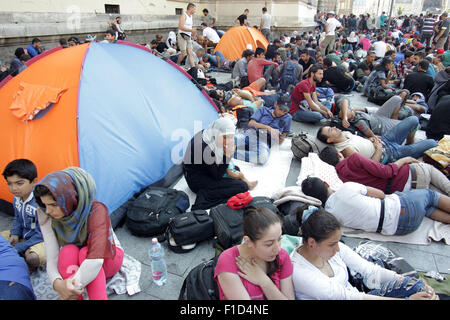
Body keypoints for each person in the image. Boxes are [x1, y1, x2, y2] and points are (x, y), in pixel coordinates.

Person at [291, 205, 437, 300]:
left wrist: (411, 282)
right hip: (355, 297)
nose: (337, 248)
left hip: (359, 295)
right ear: (311, 243)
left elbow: (369, 270)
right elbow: (346, 296)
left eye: (338, 242)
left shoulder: (332, 249)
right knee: (414, 290)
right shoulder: (300, 271)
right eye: (332, 244)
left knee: (417, 287)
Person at [33, 167, 124, 300]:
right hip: (78, 263)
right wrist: (58, 284)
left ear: (70, 198)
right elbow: (52, 258)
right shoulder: (45, 215)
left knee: (85, 253)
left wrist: (68, 289)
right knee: (67, 251)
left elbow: (96, 260)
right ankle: (75, 297)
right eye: (45, 205)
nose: (48, 211)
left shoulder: (96, 210)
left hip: (108, 258)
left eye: (53, 205)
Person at [301, 176, 450, 236]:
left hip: (400, 229)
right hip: (401, 208)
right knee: (430, 195)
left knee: (427, 209)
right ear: (327, 183)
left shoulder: (329, 215)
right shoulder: (346, 188)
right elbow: (381, 194)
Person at [214, 207, 295, 300]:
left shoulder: (282, 256)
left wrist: (264, 282)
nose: (277, 249)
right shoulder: (228, 261)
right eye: (269, 244)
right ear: (248, 241)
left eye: (279, 239)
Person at [319, 146, 450, 196]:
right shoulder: (354, 159)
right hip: (413, 173)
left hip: (408, 189)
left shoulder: (341, 179)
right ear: (339, 155)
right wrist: (404, 160)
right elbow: (386, 171)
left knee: (443, 200)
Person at [182, 117, 249, 210]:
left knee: (235, 169)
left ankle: (212, 191)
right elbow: (217, 175)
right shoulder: (203, 148)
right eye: (225, 137)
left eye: (230, 137)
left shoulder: (207, 134)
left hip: (202, 171)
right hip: (196, 182)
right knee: (242, 186)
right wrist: (227, 155)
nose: (227, 140)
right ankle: (205, 196)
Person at [316, 116, 438, 164]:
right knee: (432, 143)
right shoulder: (346, 150)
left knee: (413, 120)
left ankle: (409, 145)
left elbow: (362, 141)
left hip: (384, 140)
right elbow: (371, 166)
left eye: (330, 126)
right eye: (330, 130)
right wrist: (378, 148)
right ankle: (407, 150)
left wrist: (371, 139)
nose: (333, 127)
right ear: (329, 140)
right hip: (388, 153)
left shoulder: (345, 133)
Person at [1, 159, 46, 273]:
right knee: (2, 240)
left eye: (19, 183)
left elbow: (42, 234)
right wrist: (15, 234)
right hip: (23, 234)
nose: (14, 188)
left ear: (34, 181)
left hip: (40, 239)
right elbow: (17, 217)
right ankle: (18, 254)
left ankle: (26, 262)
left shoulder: (41, 203)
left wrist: (21, 246)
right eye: (9, 183)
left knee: (33, 257)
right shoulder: (17, 197)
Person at [234, 95, 292, 165]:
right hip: (250, 134)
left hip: (264, 141)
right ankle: (231, 150)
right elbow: (251, 123)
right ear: (275, 104)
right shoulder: (264, 110)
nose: (281, 113)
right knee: (227, 141)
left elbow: (282, 138)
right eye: (280, 109)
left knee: (262, 158)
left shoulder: (287, 118)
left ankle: (232, 153)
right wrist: (268, 128)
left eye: (284, 111)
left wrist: (277, 138)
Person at [0, 235, 36, 300]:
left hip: (8, 271)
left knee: (33, 257)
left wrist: (20, 246)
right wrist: (15, 232)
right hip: (11, 267)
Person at [177, 3, 197, 68]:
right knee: (183, 53)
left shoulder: (191, 16)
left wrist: (192, 33)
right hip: (182, 35)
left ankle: (194, 68)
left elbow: (189, 27)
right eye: (194, 9)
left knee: (191, 53)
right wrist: (191, 30)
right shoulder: (183, 15)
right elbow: (180, 27)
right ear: (190, 8)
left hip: (188, 36)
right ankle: (177, 65)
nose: (195, 10)